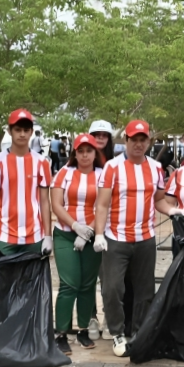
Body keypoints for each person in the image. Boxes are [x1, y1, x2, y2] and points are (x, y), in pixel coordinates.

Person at [93, 119, 164, 357]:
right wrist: (99, 234)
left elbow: (160, 200)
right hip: (116, 237)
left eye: (143, 140)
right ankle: (117, 331)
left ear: (149, 142)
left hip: (145, 238)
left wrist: (176, 211)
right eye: (134, 139)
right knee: (112, 288)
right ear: (126, 140)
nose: (138, 144)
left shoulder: (156, 168)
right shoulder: (112, 167)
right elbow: (102, 204)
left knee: (144, 290)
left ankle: (138, 332)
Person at [50, 133, 105, 355]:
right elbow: (56, 204)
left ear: (95, 153)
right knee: (69, 283)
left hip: (92, 236)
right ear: (74, 153)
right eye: (80, 151)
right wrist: (75, 227)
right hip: (65, 233)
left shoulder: (102, 175)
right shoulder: (64, 173)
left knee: (87, 284)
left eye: (88, 151)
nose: (84, 155)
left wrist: (89, 231)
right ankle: (61, 332)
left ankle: (83, 329)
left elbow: (105, 206)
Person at [0, 109, 53, 256]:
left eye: (26, 130)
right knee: (2, 279)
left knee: (32, 279)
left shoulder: (42, 163)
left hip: (35, 236)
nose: (22, 134)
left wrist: (47, 236)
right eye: (18, 130)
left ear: (32, 132)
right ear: (9, 130)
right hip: (3, 235)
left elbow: (45, 201)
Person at [86, 119, 116, 341]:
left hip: (108, 228)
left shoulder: (114, 164)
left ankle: (109, 317)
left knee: (108, 279)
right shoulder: (82, 164)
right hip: (84, 227)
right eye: (96, 134)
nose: (100, 139)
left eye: (104, 135)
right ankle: (90, 317)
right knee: (88, 277)